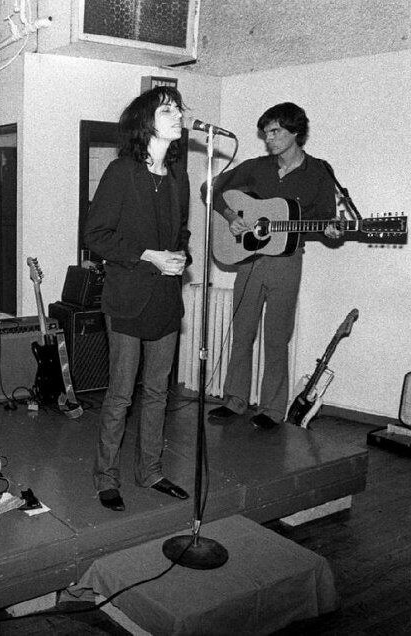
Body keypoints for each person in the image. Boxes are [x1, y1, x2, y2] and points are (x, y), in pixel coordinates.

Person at [85, 87, 192, 512]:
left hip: (166, 298)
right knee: (120, 394)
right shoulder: (121, 172)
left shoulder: (179, 175)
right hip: (128, 298)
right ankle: (105, 477)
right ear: (146, 122)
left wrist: (181, 256)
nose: (178, 115)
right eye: (168, 110)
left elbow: (181, 232)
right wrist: (149, 255)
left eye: (178, 109)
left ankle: (150, 471)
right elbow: (96, 236)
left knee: (158, 393)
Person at [205, 102, 342, 430]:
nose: (269, 139)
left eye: (276, 131)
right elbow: (210, 188)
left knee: (277, 338)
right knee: (242, 333)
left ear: (296, 132)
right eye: (266, 133)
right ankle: (234, 400)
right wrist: (231, 217)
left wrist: (331, 229)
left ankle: (271, 409)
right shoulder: (256, 167)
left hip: (286, 263)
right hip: (250, 260)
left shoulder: (319, 172)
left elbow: (326, 218)